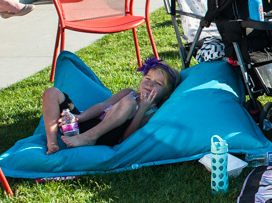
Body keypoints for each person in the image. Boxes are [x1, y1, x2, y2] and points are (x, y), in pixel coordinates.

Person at [44, 57, 180, 153]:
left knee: (129, 102)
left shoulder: (152, 111)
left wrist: (142, 109)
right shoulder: (129, 92)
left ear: (167, 94)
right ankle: (53, 143)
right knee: (51, 92)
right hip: (89, 124)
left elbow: (126, 138)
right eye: (148, 79)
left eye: (158, 83)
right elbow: (102, 106)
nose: (150, 84)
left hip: (106, 135)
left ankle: (89, 137)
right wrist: (80, 118)